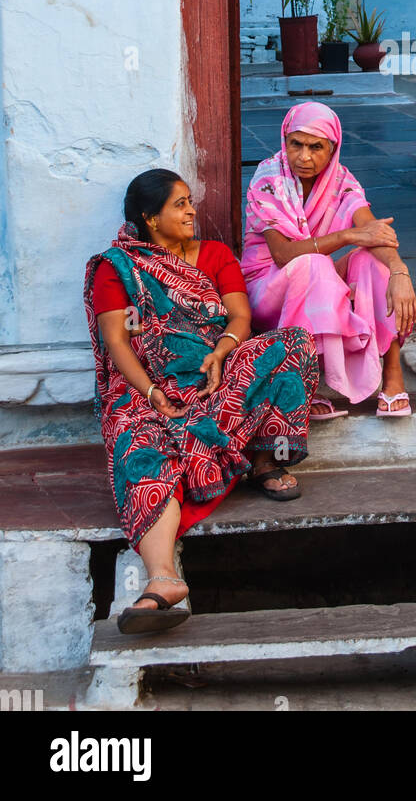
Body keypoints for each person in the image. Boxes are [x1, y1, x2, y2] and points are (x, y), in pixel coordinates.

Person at [84, 169, 318, 634]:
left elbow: (240, 315)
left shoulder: (213, 254)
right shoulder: (118, 269)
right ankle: (164, 579)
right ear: (150, 219)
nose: (192, 211)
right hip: (149, 389)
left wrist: (221, 350)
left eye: (191, 201)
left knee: (293, 343)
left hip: (218, 375)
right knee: (138, 443)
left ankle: (266, 461)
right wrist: (152, 392)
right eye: (180, 204)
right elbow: (118, 343)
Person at [241, 102, 416, 418]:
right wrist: (348, 236)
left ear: (333, 148)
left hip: (312, 283)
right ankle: (308, 385)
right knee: (315, 262)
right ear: (285, 140)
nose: (304, 156)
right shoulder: (269, 178)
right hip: (267, 291)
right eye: (296, 144)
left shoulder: (341, 180)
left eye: (316, 147)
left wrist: (399, 271)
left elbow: (372, 230)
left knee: (370, 261)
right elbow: (283, 255)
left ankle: (392, 376)